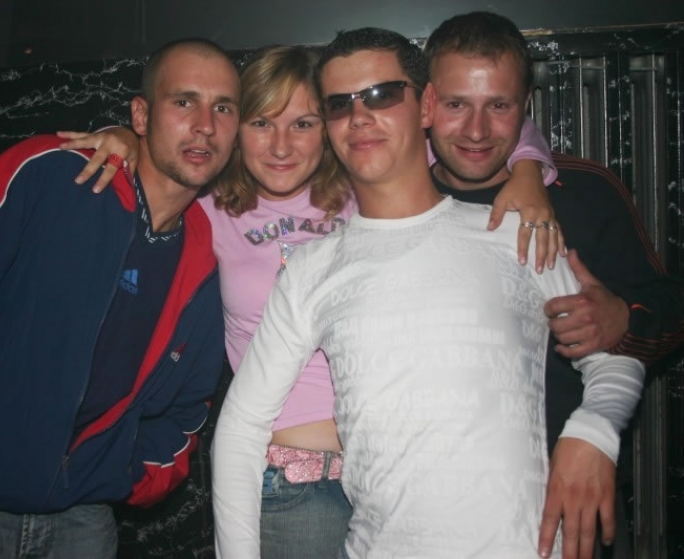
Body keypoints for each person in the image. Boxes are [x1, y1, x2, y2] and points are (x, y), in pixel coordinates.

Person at [61, 44, 564, 558]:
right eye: (261, 123)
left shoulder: (363, 185)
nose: (281, 146)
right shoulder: (211, 209)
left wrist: (528, 170)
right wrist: (128, 137)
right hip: (297, 481)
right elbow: (158, 165)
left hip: (398, 476)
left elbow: (477, 131)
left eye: (302, 124)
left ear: (328, 128)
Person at [211, 27, 646, 559]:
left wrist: (592, 432)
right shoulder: (311, 268)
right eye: (340, 104)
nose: (360, 116)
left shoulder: (517, 232)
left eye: (381, 95)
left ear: (426, 106)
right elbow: (241, 427)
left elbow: (613, 359)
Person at [0, 38, 238, 558]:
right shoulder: (49, 175)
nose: (205, 125)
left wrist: (136, 474)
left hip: (84, 521)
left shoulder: (205, 255)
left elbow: (188, 401)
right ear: (141, 116)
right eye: (184, 101)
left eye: (223, 108)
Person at [422, 12, 684, 559]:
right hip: (428, 507)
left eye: (499, 105)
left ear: (527, 106)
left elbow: (671, 305)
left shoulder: (585, 190)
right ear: (427, 102)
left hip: (569, 502)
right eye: (456, 104)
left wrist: (624, 318)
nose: (476, 130)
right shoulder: (392, 198)